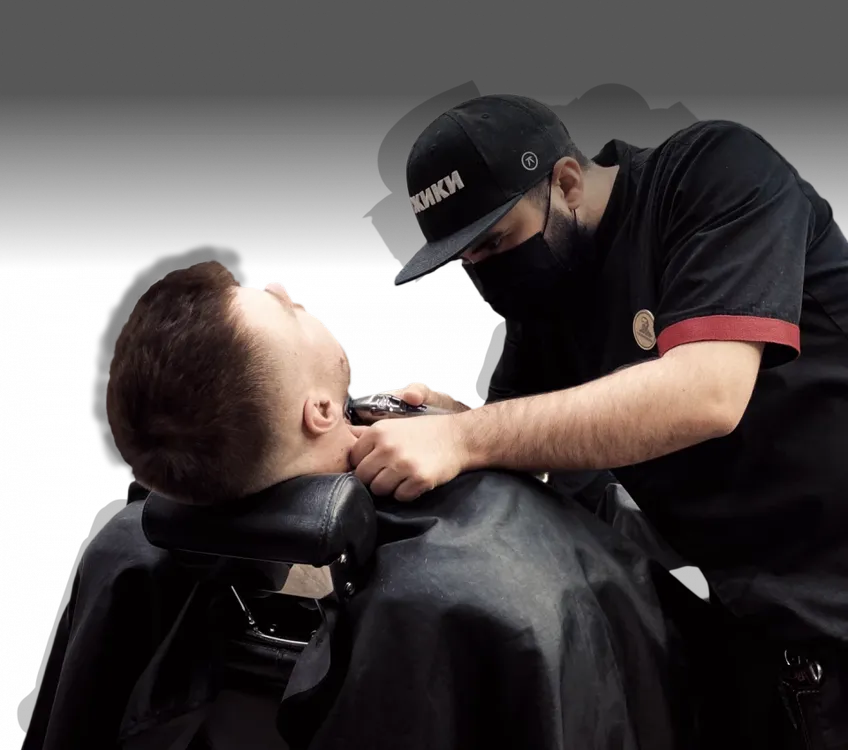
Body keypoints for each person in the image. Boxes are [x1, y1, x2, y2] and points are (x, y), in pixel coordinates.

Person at [350, 94, 848, 747]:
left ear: (566, 183)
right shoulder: (546, 302)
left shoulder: (712, 171)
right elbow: (521, 440)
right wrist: (454, 420)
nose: (488, 279)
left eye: (495, 241)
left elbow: (706, 394)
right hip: (751, 636)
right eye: (467, 264)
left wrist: (465, 436)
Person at [25, 262, 692, 749]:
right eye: (282, 308)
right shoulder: (490, 571)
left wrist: (465, 429)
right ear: (321, 412)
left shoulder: (123, 553)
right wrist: (491, 448)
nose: (279, 286)